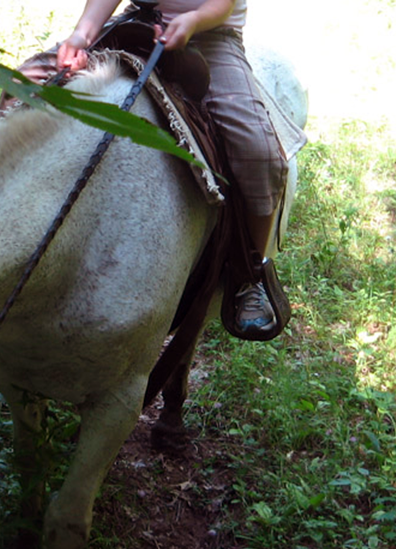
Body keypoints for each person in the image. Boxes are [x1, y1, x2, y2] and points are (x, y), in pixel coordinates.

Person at [54, 0, 289, 336]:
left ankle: (248, 275)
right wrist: (81, 34)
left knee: (259, 154)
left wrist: (193, 20)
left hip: (212, 38)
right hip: (138, 24)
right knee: (23, 89)